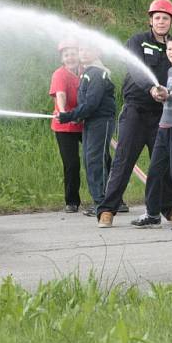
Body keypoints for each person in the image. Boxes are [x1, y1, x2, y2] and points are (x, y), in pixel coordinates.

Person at [96, 0, 172, 225]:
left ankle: (169, 208)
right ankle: (107, 210)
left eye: (165, 18)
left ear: (171, 22)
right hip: (136, 112)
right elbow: (135, 69)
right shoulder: (138, 41)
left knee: (162, 163)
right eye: (157, 18)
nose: (161, 22)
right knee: (123, 160)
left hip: (162, 114)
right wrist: (151, 88)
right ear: (150, 20)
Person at [126, 35, 172, 231]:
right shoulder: (170, 71)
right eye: (169, 49)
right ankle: (152, 214)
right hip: (164, 127)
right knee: (154, 172)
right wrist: (162, 97)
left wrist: (169, 98)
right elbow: (170, 98)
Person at [57, 44, 116, 216]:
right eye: (81, 49)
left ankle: (105, 203)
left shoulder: (97, 73)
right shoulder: (88, 72)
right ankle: (102, 201)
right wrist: (74, 115)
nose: (82, 53)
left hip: (100, 121)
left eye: (87, 49)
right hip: (90, 122)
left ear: (97, 52)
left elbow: (91, 104)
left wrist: (69, 115)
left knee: (96, 161)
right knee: (90, 161)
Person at [49, 39, 83, 213]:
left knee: (102, 158)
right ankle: (72, 201)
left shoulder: (86, 71)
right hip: (65, 126)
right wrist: (63, 113)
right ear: (62, 58)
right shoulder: (59, 74)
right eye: (66, 55)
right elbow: (60, 95)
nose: (70, 57)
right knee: (72, 164)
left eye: (73, 53)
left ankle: (111, 198)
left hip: (85, 123)